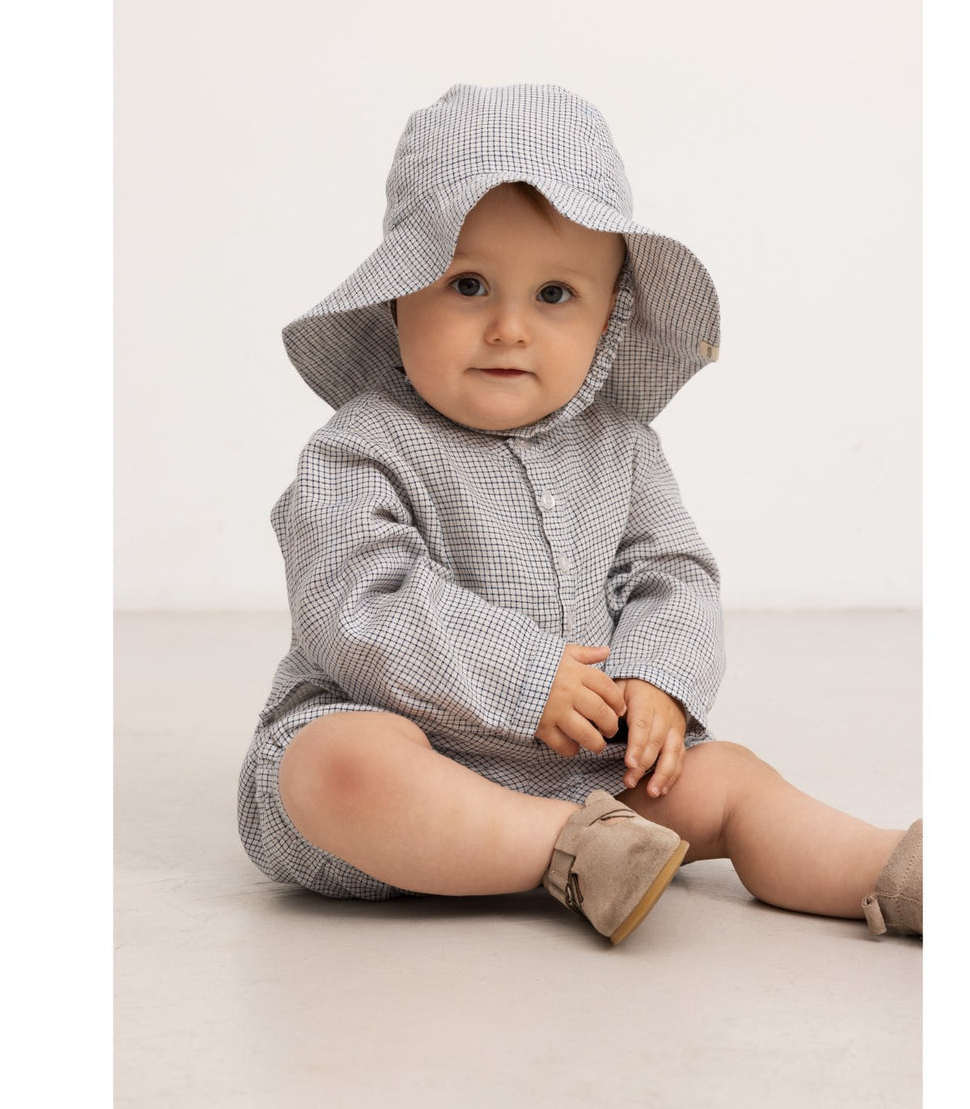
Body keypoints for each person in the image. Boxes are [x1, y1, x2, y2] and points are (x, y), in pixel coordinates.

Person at [236, 83, 921, 944]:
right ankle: (561, 848)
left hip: (590, 767)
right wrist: (529, 679)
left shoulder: (621, 447)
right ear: (398, 296)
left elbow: (672, 574)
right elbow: (359, 603)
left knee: (733, 780)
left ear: (611, 317)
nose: (509, 328)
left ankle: (888, 870)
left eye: (554, 295)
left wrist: (656, 679)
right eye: (469, 284)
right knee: (333, 767)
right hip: (415, 768)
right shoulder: (357, 449)